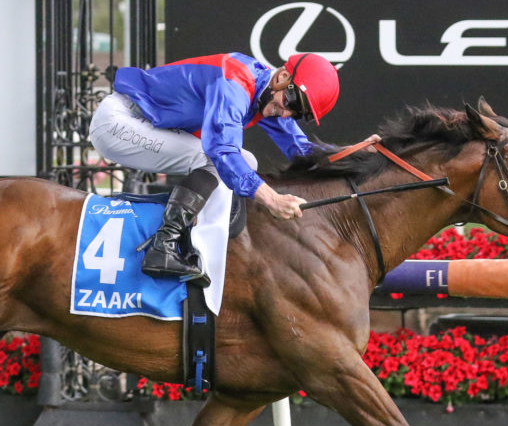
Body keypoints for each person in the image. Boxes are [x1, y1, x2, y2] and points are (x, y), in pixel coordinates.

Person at [88, 52, 340, 284]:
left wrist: (353, 157)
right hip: (118, 123)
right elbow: (222, 151)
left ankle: (198, 244)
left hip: (146, 123)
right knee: (215, 160)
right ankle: (163, 246)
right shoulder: (235, 82)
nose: (287, 114)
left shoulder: (269, 92)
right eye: (292, 102)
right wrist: (272, 199)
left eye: (297, 113)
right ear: (282, 77)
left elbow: (301, 150)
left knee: (247, 162)